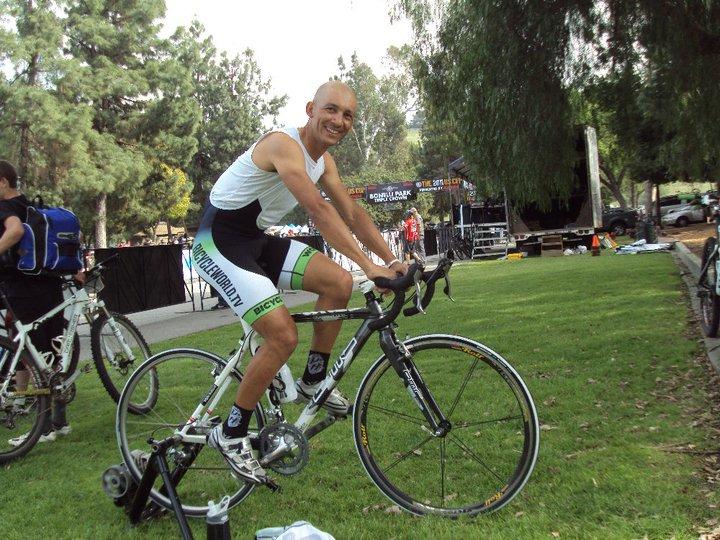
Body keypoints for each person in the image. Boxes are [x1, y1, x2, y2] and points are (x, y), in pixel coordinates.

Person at [191, 81, 408, 484]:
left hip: (253, 240)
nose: (339, 120)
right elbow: (318, 209)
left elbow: (352, 213)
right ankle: (232, 432)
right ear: (310, 109)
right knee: (282, 336)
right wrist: (369, 266)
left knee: (339, 283)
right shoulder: (283, 145)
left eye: (348, 115)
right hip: (216, 243)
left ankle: (312, 380)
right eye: (331, 109)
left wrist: (391, 260)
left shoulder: (324, 162)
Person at [0, 160, 71, 445]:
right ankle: (59, 421)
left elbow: (14, 232)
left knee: (28, 352)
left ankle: (41, 425)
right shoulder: (32, 207)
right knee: (50, 353)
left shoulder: (5, 208)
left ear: (3, 182)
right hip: (48, 283)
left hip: (22, 287)